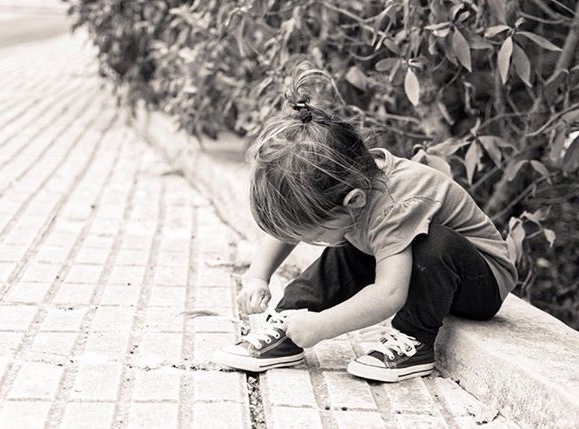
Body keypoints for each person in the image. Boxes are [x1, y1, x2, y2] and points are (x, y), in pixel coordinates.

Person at [211, 66, 517, 382]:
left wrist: (322, 327)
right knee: (344, 246)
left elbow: (389, 295)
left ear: (354, 200)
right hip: (414, 264)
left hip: (480, 283)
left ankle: (415, 341)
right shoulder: (346, 180)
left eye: (313, 235)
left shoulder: (396, 204)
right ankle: (288, 324)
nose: (311, 240)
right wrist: (257, 277)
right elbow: (293, 227)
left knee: (427, 243)